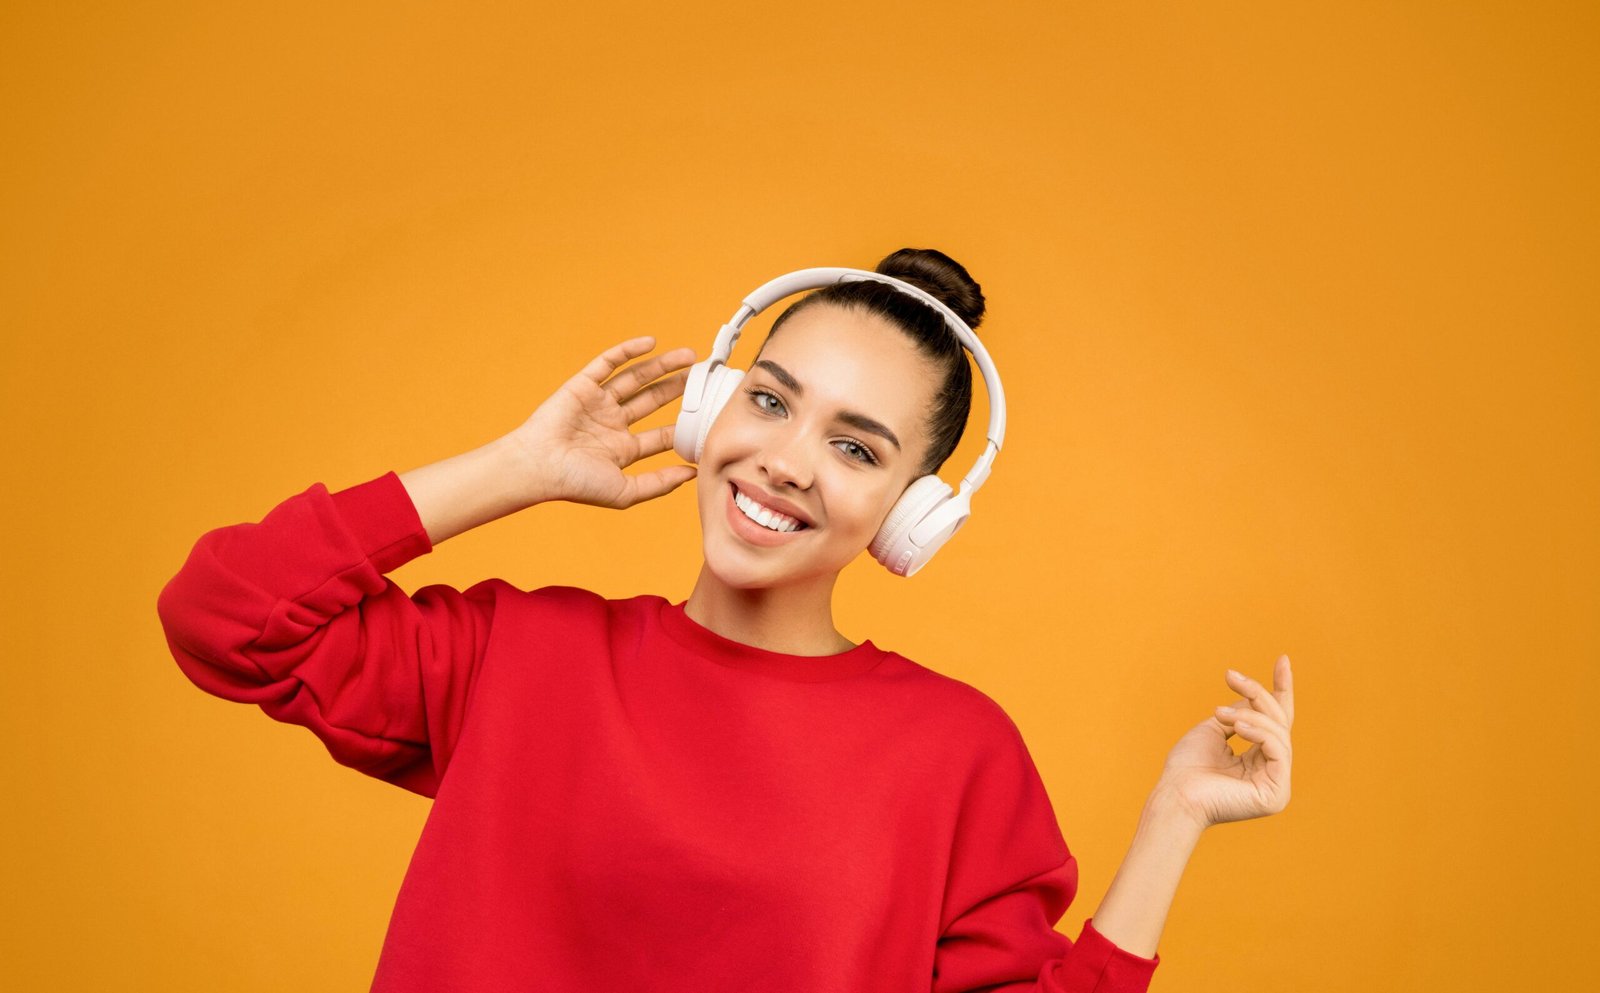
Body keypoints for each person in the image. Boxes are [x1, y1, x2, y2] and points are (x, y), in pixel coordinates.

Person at [156, 247, 1296, 992]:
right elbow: (227, 614)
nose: (787, 463)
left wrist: (1174, 819)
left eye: (855, 447)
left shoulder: (953, 754)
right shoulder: (521, 657)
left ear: (916, 513)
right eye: (768, 399)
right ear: (710, 411)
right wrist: (514, 469)